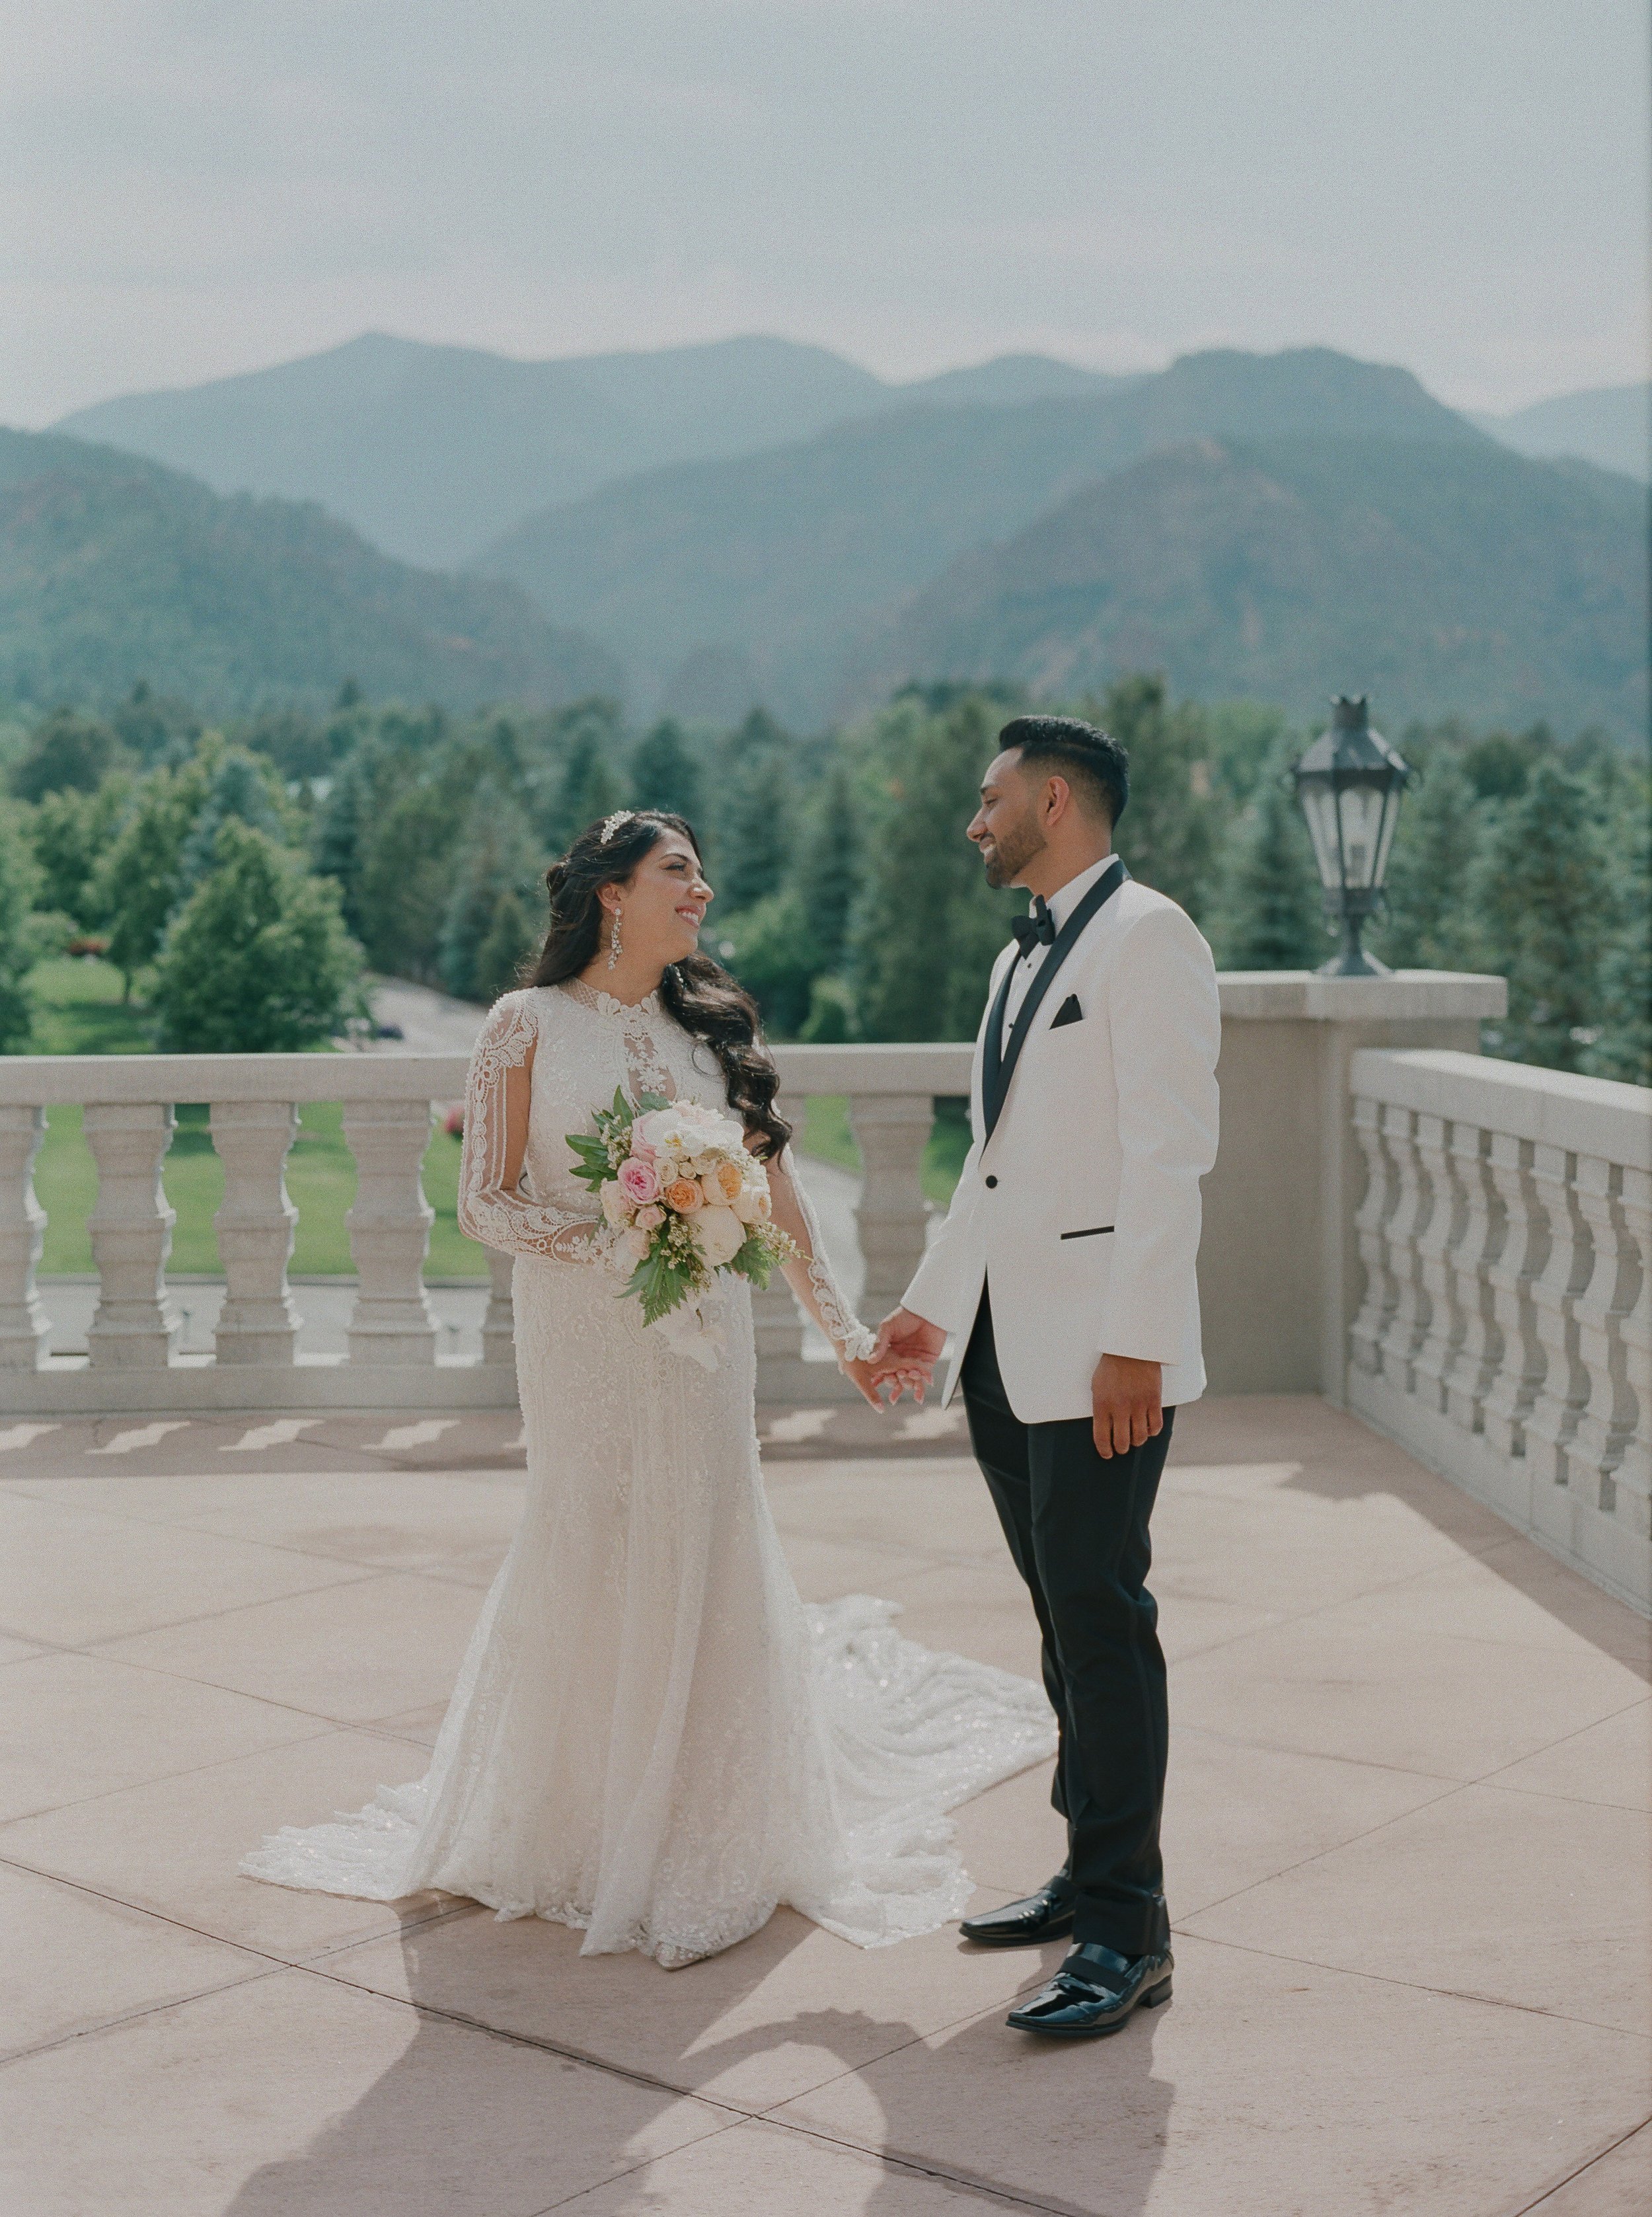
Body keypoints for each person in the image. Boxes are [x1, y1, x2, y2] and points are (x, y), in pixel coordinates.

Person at [244, 809, 1055, 1967]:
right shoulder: (524, 1024)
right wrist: (624, 1234)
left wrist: (852, 1338)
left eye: (703, 871)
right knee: (592, 1534)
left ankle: (710, 1825)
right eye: (680, 871)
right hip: (580, 1339)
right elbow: (487, 1202)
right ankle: (578, 1824)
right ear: (612, 893)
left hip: (704, 1346)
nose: (704, 890)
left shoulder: (712, 1033)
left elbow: (778, 1203)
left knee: (711, 1536)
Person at [872, 718, 1220, 2037]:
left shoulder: (1151, 938)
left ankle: (1128, 1933)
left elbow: (1169, 1154)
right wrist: (925, 1310)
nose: (974, 819)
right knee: (1059, 1620)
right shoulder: (1018, 956)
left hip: (1100, 1355)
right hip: (1002, 1351)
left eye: (990, 799)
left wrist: (1132, 1337)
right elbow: (992, 1166)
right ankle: (1086, 1878)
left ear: (1053, 799)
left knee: (1101, 1615)